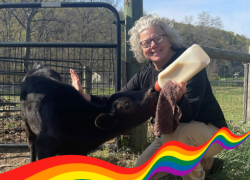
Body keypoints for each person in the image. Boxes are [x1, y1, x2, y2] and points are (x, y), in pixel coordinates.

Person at [70, 15, 227, 180]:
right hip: (170, 135)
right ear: (141, 49)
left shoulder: (188, 63)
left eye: (158, 38)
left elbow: (190, 115)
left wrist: (179, 98)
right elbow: (117, 100)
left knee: (178, 140)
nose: (153, 45)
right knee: (141, 174)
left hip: (211, 131)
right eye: (146, 43)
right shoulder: (145, 74)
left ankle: (197, 172)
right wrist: (84, 97)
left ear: (169, 40)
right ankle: (208, 164)